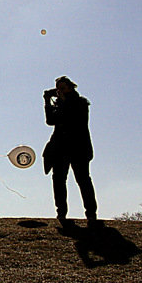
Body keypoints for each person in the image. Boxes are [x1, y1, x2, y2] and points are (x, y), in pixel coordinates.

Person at [43, 76, 98, 227]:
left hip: (78, 148)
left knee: (83, 180)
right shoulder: (59, 104)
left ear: (71, 87)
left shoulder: (80, 103)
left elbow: (77, 119)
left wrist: (64, 102)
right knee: (59, 180)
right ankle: (61, 212)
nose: (60, 91)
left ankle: (91, 214)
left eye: (63, 88)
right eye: (58, 88)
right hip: (60, 148)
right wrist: (47, 102)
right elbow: (50, 121)